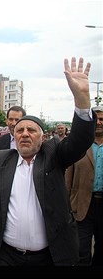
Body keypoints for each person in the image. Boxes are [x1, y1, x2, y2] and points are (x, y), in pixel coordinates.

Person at [0, 57, 95, 266]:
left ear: (43, 138)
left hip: (49, 257)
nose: (24, 133)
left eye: (31, 130)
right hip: (5, 256)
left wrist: (82, 100)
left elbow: (80, 140)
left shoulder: (53, 155)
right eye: (19, 130)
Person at [65, 105, 103, 266]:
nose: (99, 122)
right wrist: (66, 206)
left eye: (102, 119)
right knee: (81, 250)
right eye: (96, 119)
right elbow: (68, 178)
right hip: (81, 205)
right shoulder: (78, 144)